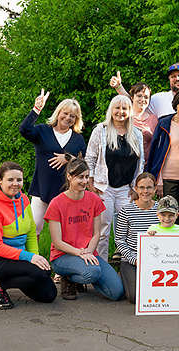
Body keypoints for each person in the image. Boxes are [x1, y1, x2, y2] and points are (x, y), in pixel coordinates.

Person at [0, 161, 55, 309]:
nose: (15, 184)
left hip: (16, 258)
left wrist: (35, 257)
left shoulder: (23, 199)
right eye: (10, 180)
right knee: (38, 272)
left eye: (19, 180)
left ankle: (16, 279)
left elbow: (31, 232)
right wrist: (29, 258)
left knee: (49, 294)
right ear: (0, 180)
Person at [46, 158, 124, 301]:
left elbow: (96, 233)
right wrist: (80, 253)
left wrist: (88, 252)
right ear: (69, 177)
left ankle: (81, 276)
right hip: (62, 256)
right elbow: (57, 242)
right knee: (92, 272)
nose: (84, 181)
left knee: (117, 292)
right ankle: (68, 278)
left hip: (88, 253)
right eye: (80, 177)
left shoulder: (94, 199)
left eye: (87, 177)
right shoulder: (56, 204)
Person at [20, 89, 87, 236]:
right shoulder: (42, 131)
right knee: (33, 229)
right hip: (41, 188)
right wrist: (36, 109)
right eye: (65, 113)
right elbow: (24, 130)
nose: (68, 118)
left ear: (76, 119)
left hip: (66, 193)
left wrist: (68, 158)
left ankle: (62, 259)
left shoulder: (78, 139)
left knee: (66, 232)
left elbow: (84, 164)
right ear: (58, 113)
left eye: (72, 116)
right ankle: (34, 259)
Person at [85, 95, 144, 262]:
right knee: (103, 230)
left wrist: (136, 188)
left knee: (130, 230)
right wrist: (91, 183)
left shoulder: (136, 134)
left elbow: (141, 161)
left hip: (127, 189)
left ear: (130, 111)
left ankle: (128, 265)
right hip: (104, 188)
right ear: (111, 110)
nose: (120, 112)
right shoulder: (101, 130)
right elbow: (90, 157)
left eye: (124, 108)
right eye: (117, 108)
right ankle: (101, 265)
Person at [146, 90, 179, 224]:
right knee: (167, 214)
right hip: (167, 178)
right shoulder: (164, 123)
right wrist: (158, 180)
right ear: (176, 106)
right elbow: (155, 153)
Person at [114, 172, 159, 303]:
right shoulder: (126, 211)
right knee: (135, 297)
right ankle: (124, 276)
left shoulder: (161, 210)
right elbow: (119, 240)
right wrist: (135, 260)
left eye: (149, 187)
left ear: (155, 189)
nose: (145, 191)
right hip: (132, 260)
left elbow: (169, 233)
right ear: (136, 188)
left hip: (155, 259)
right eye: (142, 187)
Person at [112, 63, 179, 118]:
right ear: (169, 80)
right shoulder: (159, 99)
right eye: (173, 76)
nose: (177, 78)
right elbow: (135, 103)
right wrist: (119, 87)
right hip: (167, 151)